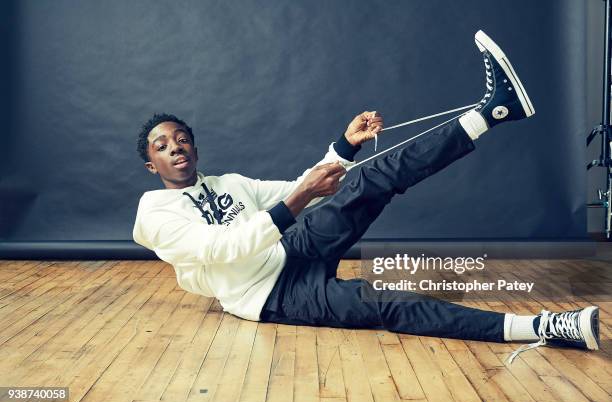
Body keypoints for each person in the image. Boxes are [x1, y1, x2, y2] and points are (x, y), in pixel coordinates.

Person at [133, 31, 599, 363]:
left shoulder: (229, 182)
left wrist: (346, 145)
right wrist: (298, 202)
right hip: (271, 293)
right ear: (152, 165)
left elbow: (303, 188)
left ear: (194, 144)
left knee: (373, 176)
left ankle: (494, 111)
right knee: (388, 305)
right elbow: (222, 249)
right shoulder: (154, 213)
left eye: (181, 137)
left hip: (290, 248)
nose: (175, 145)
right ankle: (541, 329)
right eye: (162, 144)